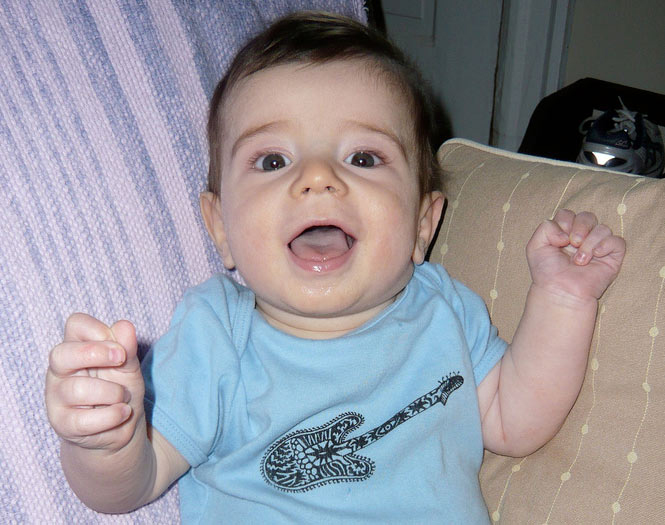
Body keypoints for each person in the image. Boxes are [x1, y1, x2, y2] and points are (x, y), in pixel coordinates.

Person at [45, 11, 625, 524]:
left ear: (423, 225)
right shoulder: (215, 332)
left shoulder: (444, 308)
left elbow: (514, 420)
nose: (318, 177)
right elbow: (133, 484)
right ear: (221, 228)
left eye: (363, 157)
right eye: (272, 160)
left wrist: (563, 299)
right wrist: (105, 442)